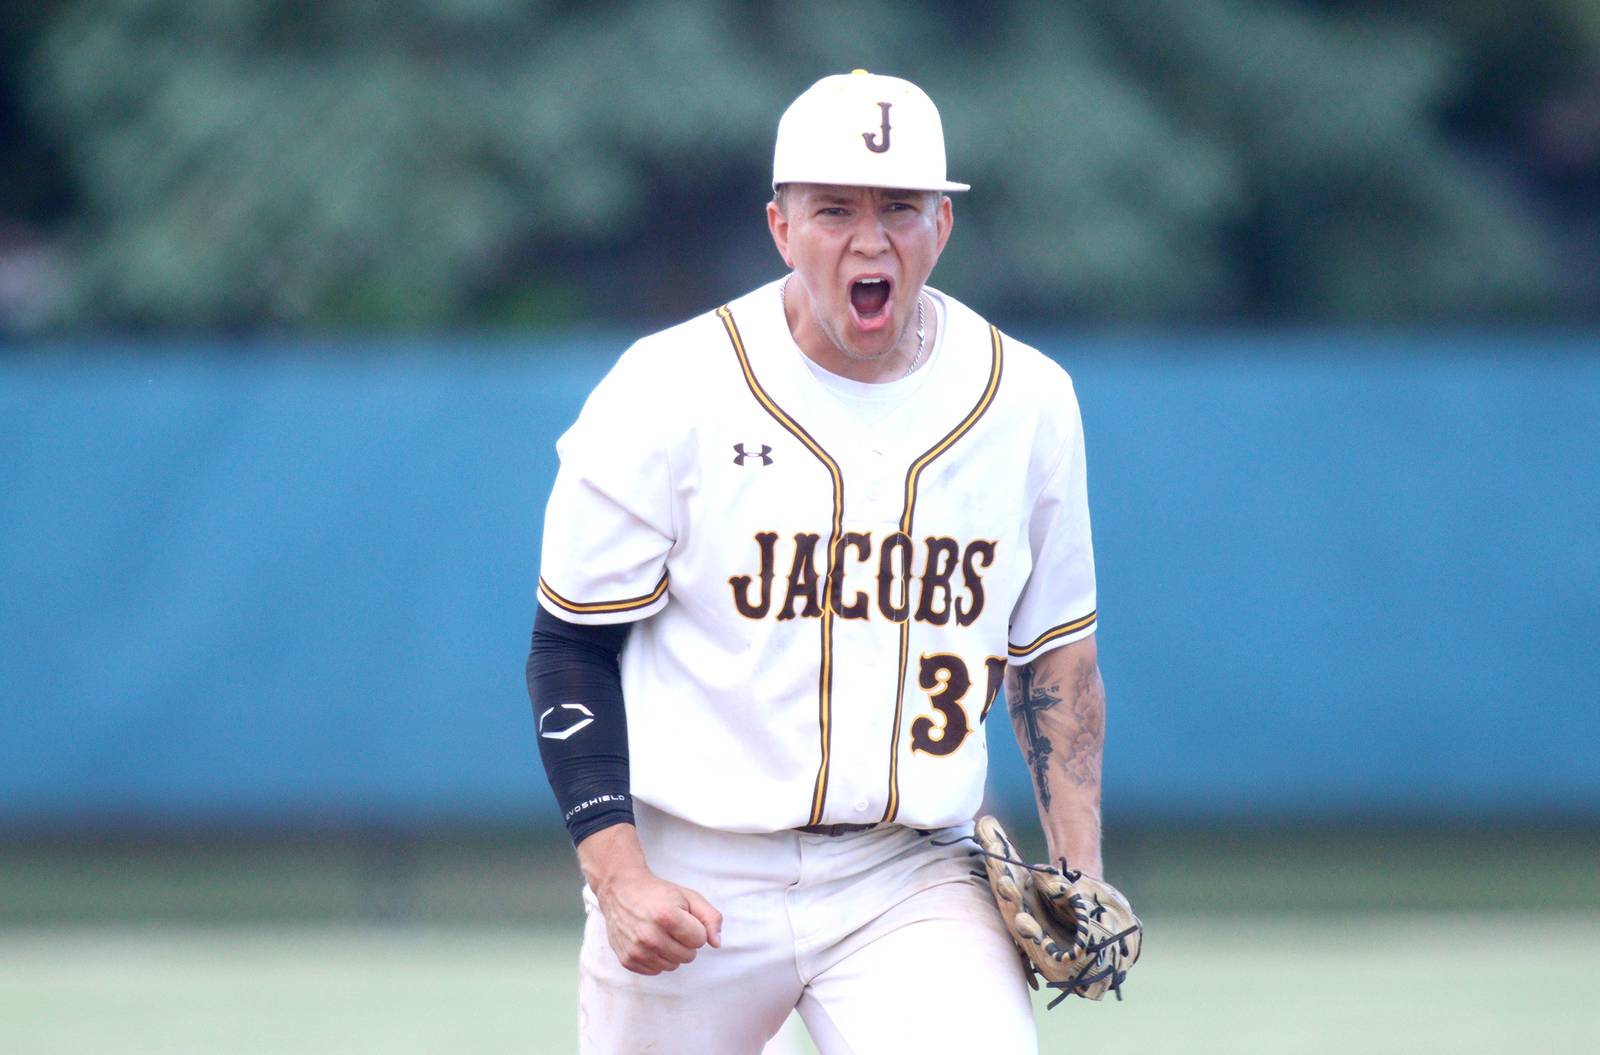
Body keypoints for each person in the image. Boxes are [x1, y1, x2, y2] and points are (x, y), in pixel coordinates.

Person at [527, 70, 1112, 1054]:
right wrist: (618, 876)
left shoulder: (1027, 401)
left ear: (942, 226)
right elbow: (570, 647)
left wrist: (1079, 870)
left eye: (900, 207)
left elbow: (1056, 656)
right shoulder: (667, 389)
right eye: (834, 208)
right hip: (693, 866)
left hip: (911, 870)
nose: (869, 239)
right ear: (781, 227)